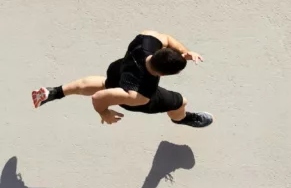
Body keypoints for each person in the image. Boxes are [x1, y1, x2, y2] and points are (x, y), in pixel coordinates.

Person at [32, 30, 214, 127]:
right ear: (163, 75)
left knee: (105, 84)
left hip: (119, 70)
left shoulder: (146, 40)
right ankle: (180, 119)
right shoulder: (140, 94)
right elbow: (98, 98)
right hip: (133, 94)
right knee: (181, 101)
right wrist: (105, 113)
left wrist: (184, 53)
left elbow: (165, 37)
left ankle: (54, 92)